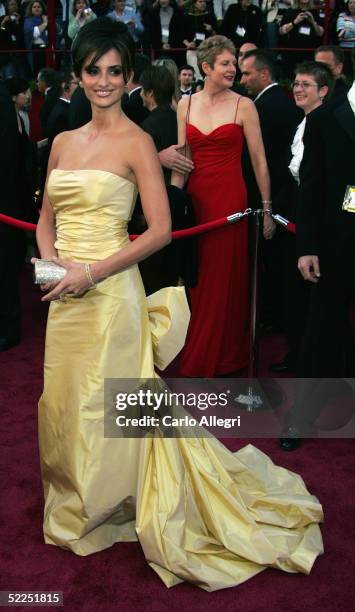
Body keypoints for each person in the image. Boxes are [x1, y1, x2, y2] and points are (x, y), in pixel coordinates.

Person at [34, 17, 324, 590]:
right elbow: (45, 220)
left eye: (115, 71)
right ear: (78, 74)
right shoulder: (64, 141)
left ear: (130, 76)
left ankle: (115, 499)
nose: (104, 81)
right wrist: (52, 271)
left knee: (108, 403)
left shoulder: (139, 142)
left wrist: (89, 272)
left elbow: (160, 230)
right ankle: (77, 498)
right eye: (93, 70)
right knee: (63, 399)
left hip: (111, 291)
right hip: (63, 295)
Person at [172, 36, 275, 377]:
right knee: (198, 276)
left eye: (235, 64)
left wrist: (267, 209)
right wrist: (174, 204)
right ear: (206, 68)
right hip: (197, 201)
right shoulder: (185, 104)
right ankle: (202, 347)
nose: (234, 69)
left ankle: (225, 354)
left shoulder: (243, 105)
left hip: (231, 200)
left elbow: (260, 161)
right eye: (227, 64)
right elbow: (183, 158)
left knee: (224, 277)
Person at [280, 51, 355, 450]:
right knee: (319, 330)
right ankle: (300, 417)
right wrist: (306, 246)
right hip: (335, 244)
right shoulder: (325, 118)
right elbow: (309, 188)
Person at [273, 61, 334, 380]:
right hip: (295, 217)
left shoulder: (329, 126)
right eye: (296, 83)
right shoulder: (301, 122)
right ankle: (298, 354)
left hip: (319, 222)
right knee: (294, 295)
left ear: (323, 91)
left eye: (306, 84)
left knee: (315, 299)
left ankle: (317, 364)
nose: (297, 88)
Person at [240, 49, 301, 360]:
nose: (242, 79)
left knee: (276, 267)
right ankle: (275, 317)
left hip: (274, 201)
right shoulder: (272, 102)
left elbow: (261, 160)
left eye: (247, 74)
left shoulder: (266, 106)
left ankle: (276, 321)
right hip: (276, 200)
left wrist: (266, 205)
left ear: (264, 74)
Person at [279, 0, 324, 76]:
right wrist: (295, 22)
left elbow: (320, 33)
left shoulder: (314, 12)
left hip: (310, 51)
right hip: (293, 51)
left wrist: (313, 22)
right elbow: (282, 31)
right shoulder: (291, 11)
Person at [46, 72, 80, 148]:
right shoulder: (62, 113)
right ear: (65, 86)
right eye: (76, 83)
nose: (80, 87)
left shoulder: (64, 108)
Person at [23, 0, 48, 75]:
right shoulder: (28, 20)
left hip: (47, 49)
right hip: (36, 50)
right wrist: (45, 23)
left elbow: (58, 32)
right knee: (38, 73)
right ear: (31, 9)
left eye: (39, 7)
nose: (37, 8)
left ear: (42, 8)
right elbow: (34, 33)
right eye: (34, 7)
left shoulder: (46, 18)